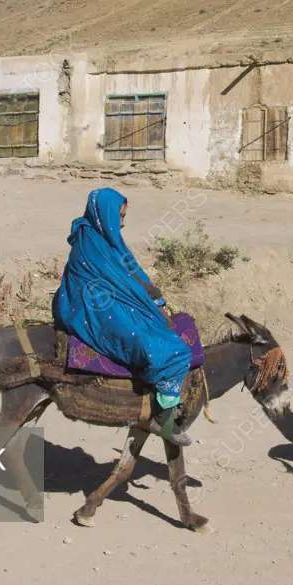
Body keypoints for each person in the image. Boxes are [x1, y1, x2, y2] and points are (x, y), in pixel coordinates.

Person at [52, 187, 195, 447]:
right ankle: (163, 418)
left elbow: (134, 274)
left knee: (159, 325)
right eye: (118, 216)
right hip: (92, 306)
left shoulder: (112, 241)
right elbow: (94, 286)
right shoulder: (87, 243)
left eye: (124, 216)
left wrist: (156, 301)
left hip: (113, 301)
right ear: (103, 214)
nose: (122, 222)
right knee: (161, 347)